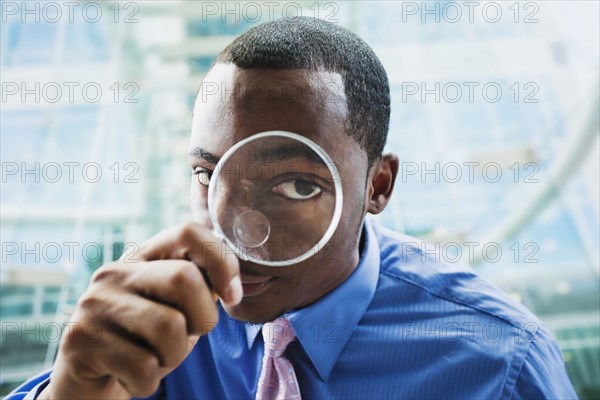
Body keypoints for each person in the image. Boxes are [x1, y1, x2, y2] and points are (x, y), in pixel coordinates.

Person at [9, 17, 577, 400]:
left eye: (296, 186)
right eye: (207, 176)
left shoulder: (501, 367)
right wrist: (69, 391)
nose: (233, 234)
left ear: (379, 186)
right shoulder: (155, 330)